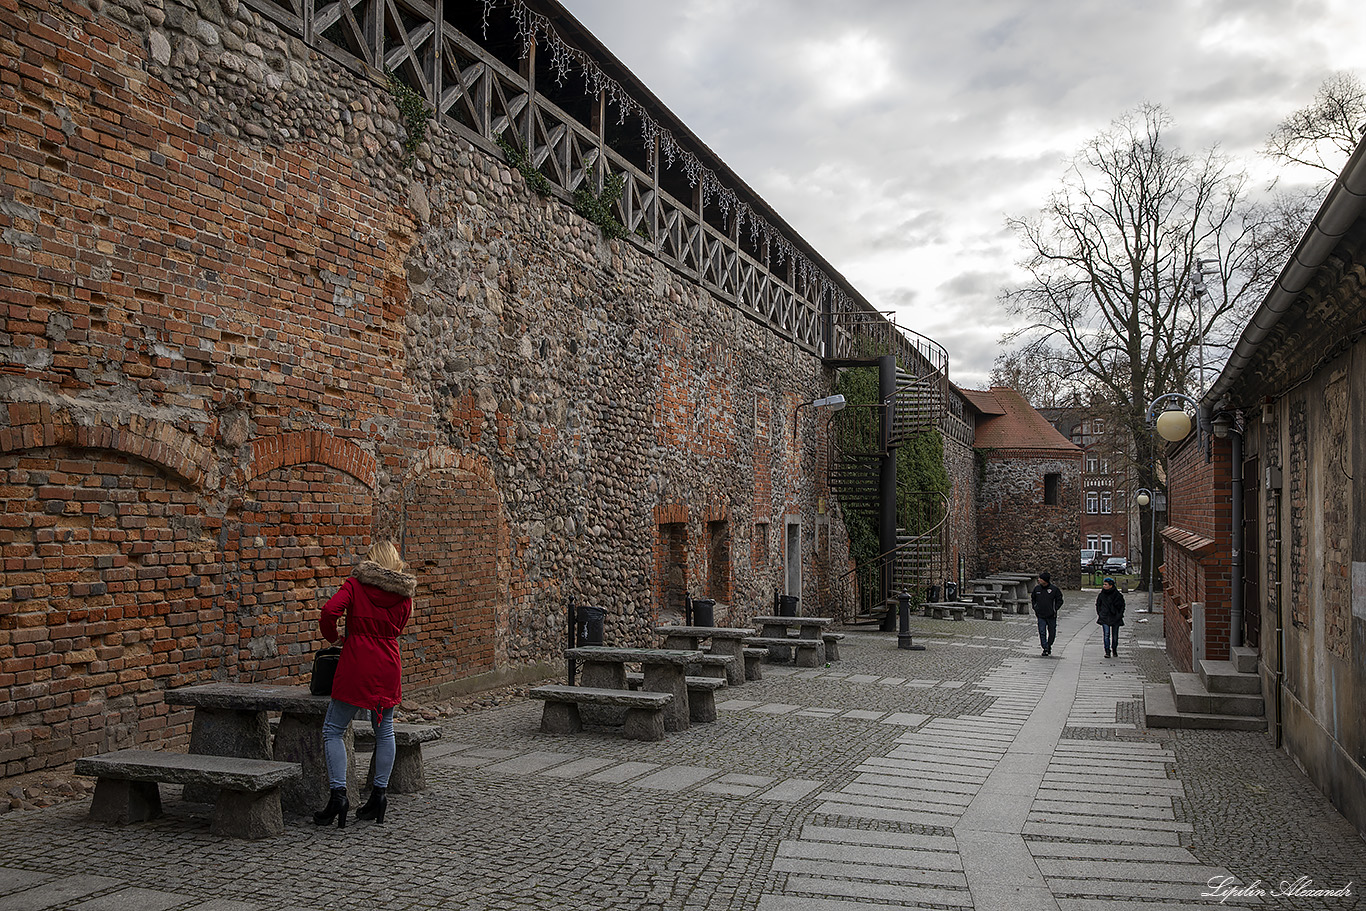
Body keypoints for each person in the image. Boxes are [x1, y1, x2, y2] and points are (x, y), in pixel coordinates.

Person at [313, 540, 416, 828]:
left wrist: (333, 638)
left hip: (357, 661)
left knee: (333, 729)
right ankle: (379, 797)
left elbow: (329, 612)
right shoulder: (405, 595)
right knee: (385, 730)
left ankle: (339, 796)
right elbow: (399, 627)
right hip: (388, 664)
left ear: (371, 561)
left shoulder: (356, 584)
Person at [1031, 572, 1063, 657]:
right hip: (1041, 614)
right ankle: (1045, 647)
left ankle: (1049, 645)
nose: (1039, 580)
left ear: (1045, 580)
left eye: (1040, 578)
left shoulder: (1054, 590)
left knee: (1052, 632)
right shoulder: (1037, 589)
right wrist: (1035, 607)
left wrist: (1054, 609)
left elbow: (1060, 600)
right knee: (1042, 631)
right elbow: (1033, 599)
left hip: (1051, 615)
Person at [1096, 576, 1125, 657]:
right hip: (1105, 617)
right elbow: (1098, 605)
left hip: (1115, 617)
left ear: (1111, 586)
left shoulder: (1118, 596)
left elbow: (1122, 606)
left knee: (1115, 636)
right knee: (1106, 635)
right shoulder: (1102, 595)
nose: (1104, 586)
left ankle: (1114, 649)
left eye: (1106, 584)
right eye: (1104, 584)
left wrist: (1119, 615)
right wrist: (1100, 613)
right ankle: (1107, 651)